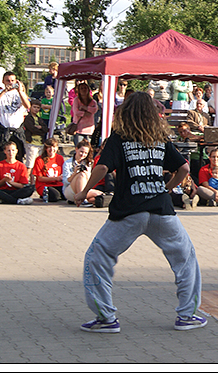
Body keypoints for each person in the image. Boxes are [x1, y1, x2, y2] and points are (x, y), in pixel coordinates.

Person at [74, 91, 206, 333]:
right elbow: (184, 168)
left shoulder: (119, 137)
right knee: (186, 259)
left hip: (129, 211)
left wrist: (84, 192)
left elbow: (102, 167)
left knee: (97, 257)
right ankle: (187, 316)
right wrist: (167, 189)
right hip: (161, 210)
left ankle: (106, 318)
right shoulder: (160, 138)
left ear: (125, 113)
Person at [0, 71, 31, 164]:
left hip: (17, 129)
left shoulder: (20, 93)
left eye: (12, 80)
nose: (10, 83)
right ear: (3, 81)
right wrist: (4, 91)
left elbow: (28, 106)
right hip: (3, 129)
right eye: (8, 80)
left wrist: (20, 91)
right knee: (0, 156)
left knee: (18, 156)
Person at [0, 140, 35, 205]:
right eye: (8, 150)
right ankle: (17, 201)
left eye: (13, 150)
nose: (11, 153)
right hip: (2, 190)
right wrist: (4, 180)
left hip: (16, 191)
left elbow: (22, 186)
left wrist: (11, 182)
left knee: (30, 189)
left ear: (16, 151)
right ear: (5, 151)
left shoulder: (21, 166)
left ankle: (2, 199)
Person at [62, 139, 105, 207]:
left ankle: (83, 200)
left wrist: (86, 174)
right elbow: (65, 182)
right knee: (81, 175)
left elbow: (89, 181)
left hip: (84, 190)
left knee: (100, 195)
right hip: (70, 190)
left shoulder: (88, 163)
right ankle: (82, 200)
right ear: (76, 149)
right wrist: (75, 173)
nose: (83, 155)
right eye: (81, 152)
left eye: (85, 153)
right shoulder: (67, 163)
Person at [31, 138, 66, 202]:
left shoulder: (60, 158)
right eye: (49, 147)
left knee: (67, 195)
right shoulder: (39, 160)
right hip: (44, 185)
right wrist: (55, 178)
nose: (52, 149)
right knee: (55, 197)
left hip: (58, 184)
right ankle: (45, 195)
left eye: (54, 147)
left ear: (57, 148)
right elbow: (40, 178)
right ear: (46, 148)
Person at [23, 99, 49, 177]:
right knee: (30, 164)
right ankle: (25, 180)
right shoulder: (28, 118)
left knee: (37, 164)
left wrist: (41, 128)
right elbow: (32, 129)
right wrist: (41, 130)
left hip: (40, 143)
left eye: (38, 107)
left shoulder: (39, 119)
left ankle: (32, 181)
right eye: (34, 107)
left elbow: (46, 128)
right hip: (31, 143)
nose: (36, 109)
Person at [70, 82, 98, 146]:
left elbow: (94, 110)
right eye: (81, 88)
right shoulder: (76, 100)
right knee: (79, 146)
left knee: (88, 147)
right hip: (79, 128)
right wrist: (86, 113)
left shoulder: (93, 101)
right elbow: (76, 112)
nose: (83, 90)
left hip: (89, 128)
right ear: (79, 90)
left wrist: (84, 108)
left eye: (85, 88)